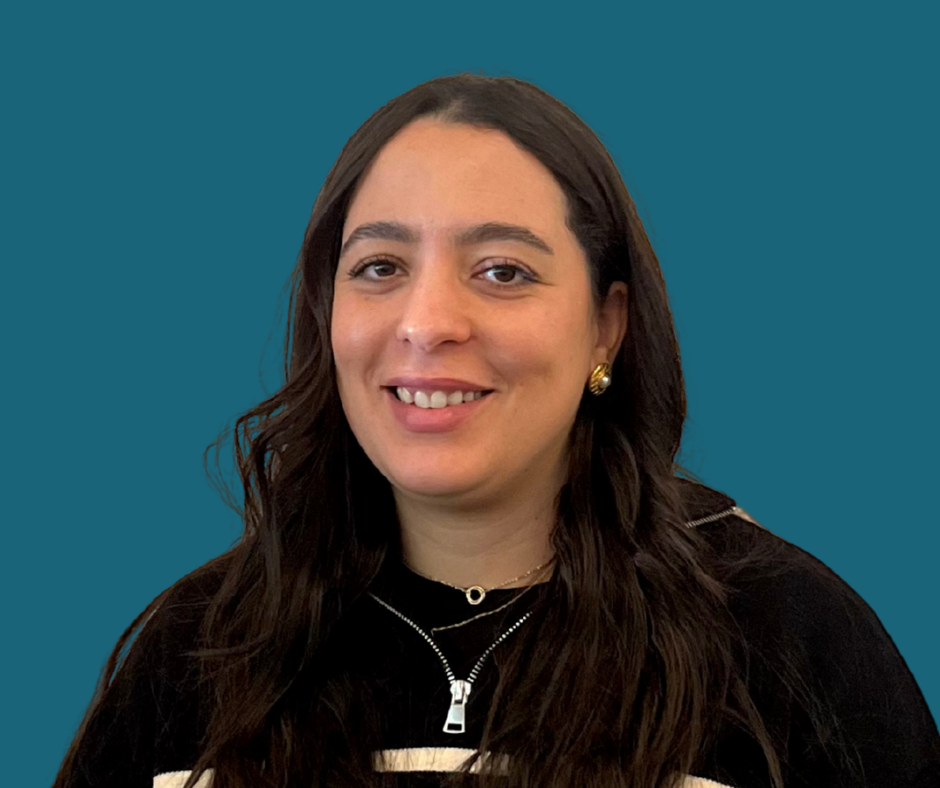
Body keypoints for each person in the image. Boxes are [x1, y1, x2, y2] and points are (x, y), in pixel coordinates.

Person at [53, 73, 939, 788]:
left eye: (503, 270)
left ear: (608, 326)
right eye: (380, 267)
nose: (427, 320)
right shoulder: (199, 652)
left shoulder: (790, 640)